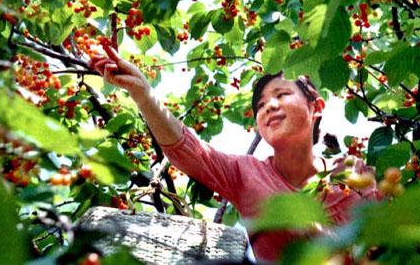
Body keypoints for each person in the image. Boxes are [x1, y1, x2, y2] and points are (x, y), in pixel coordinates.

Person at [90, 46, 380, 263]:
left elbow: (384, 243)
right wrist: (143, 94)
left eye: (281, 95)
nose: (269, 107)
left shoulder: (351, 172)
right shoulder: (246, 173)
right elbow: (189, 150)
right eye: (261, 105)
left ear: (315, 107)